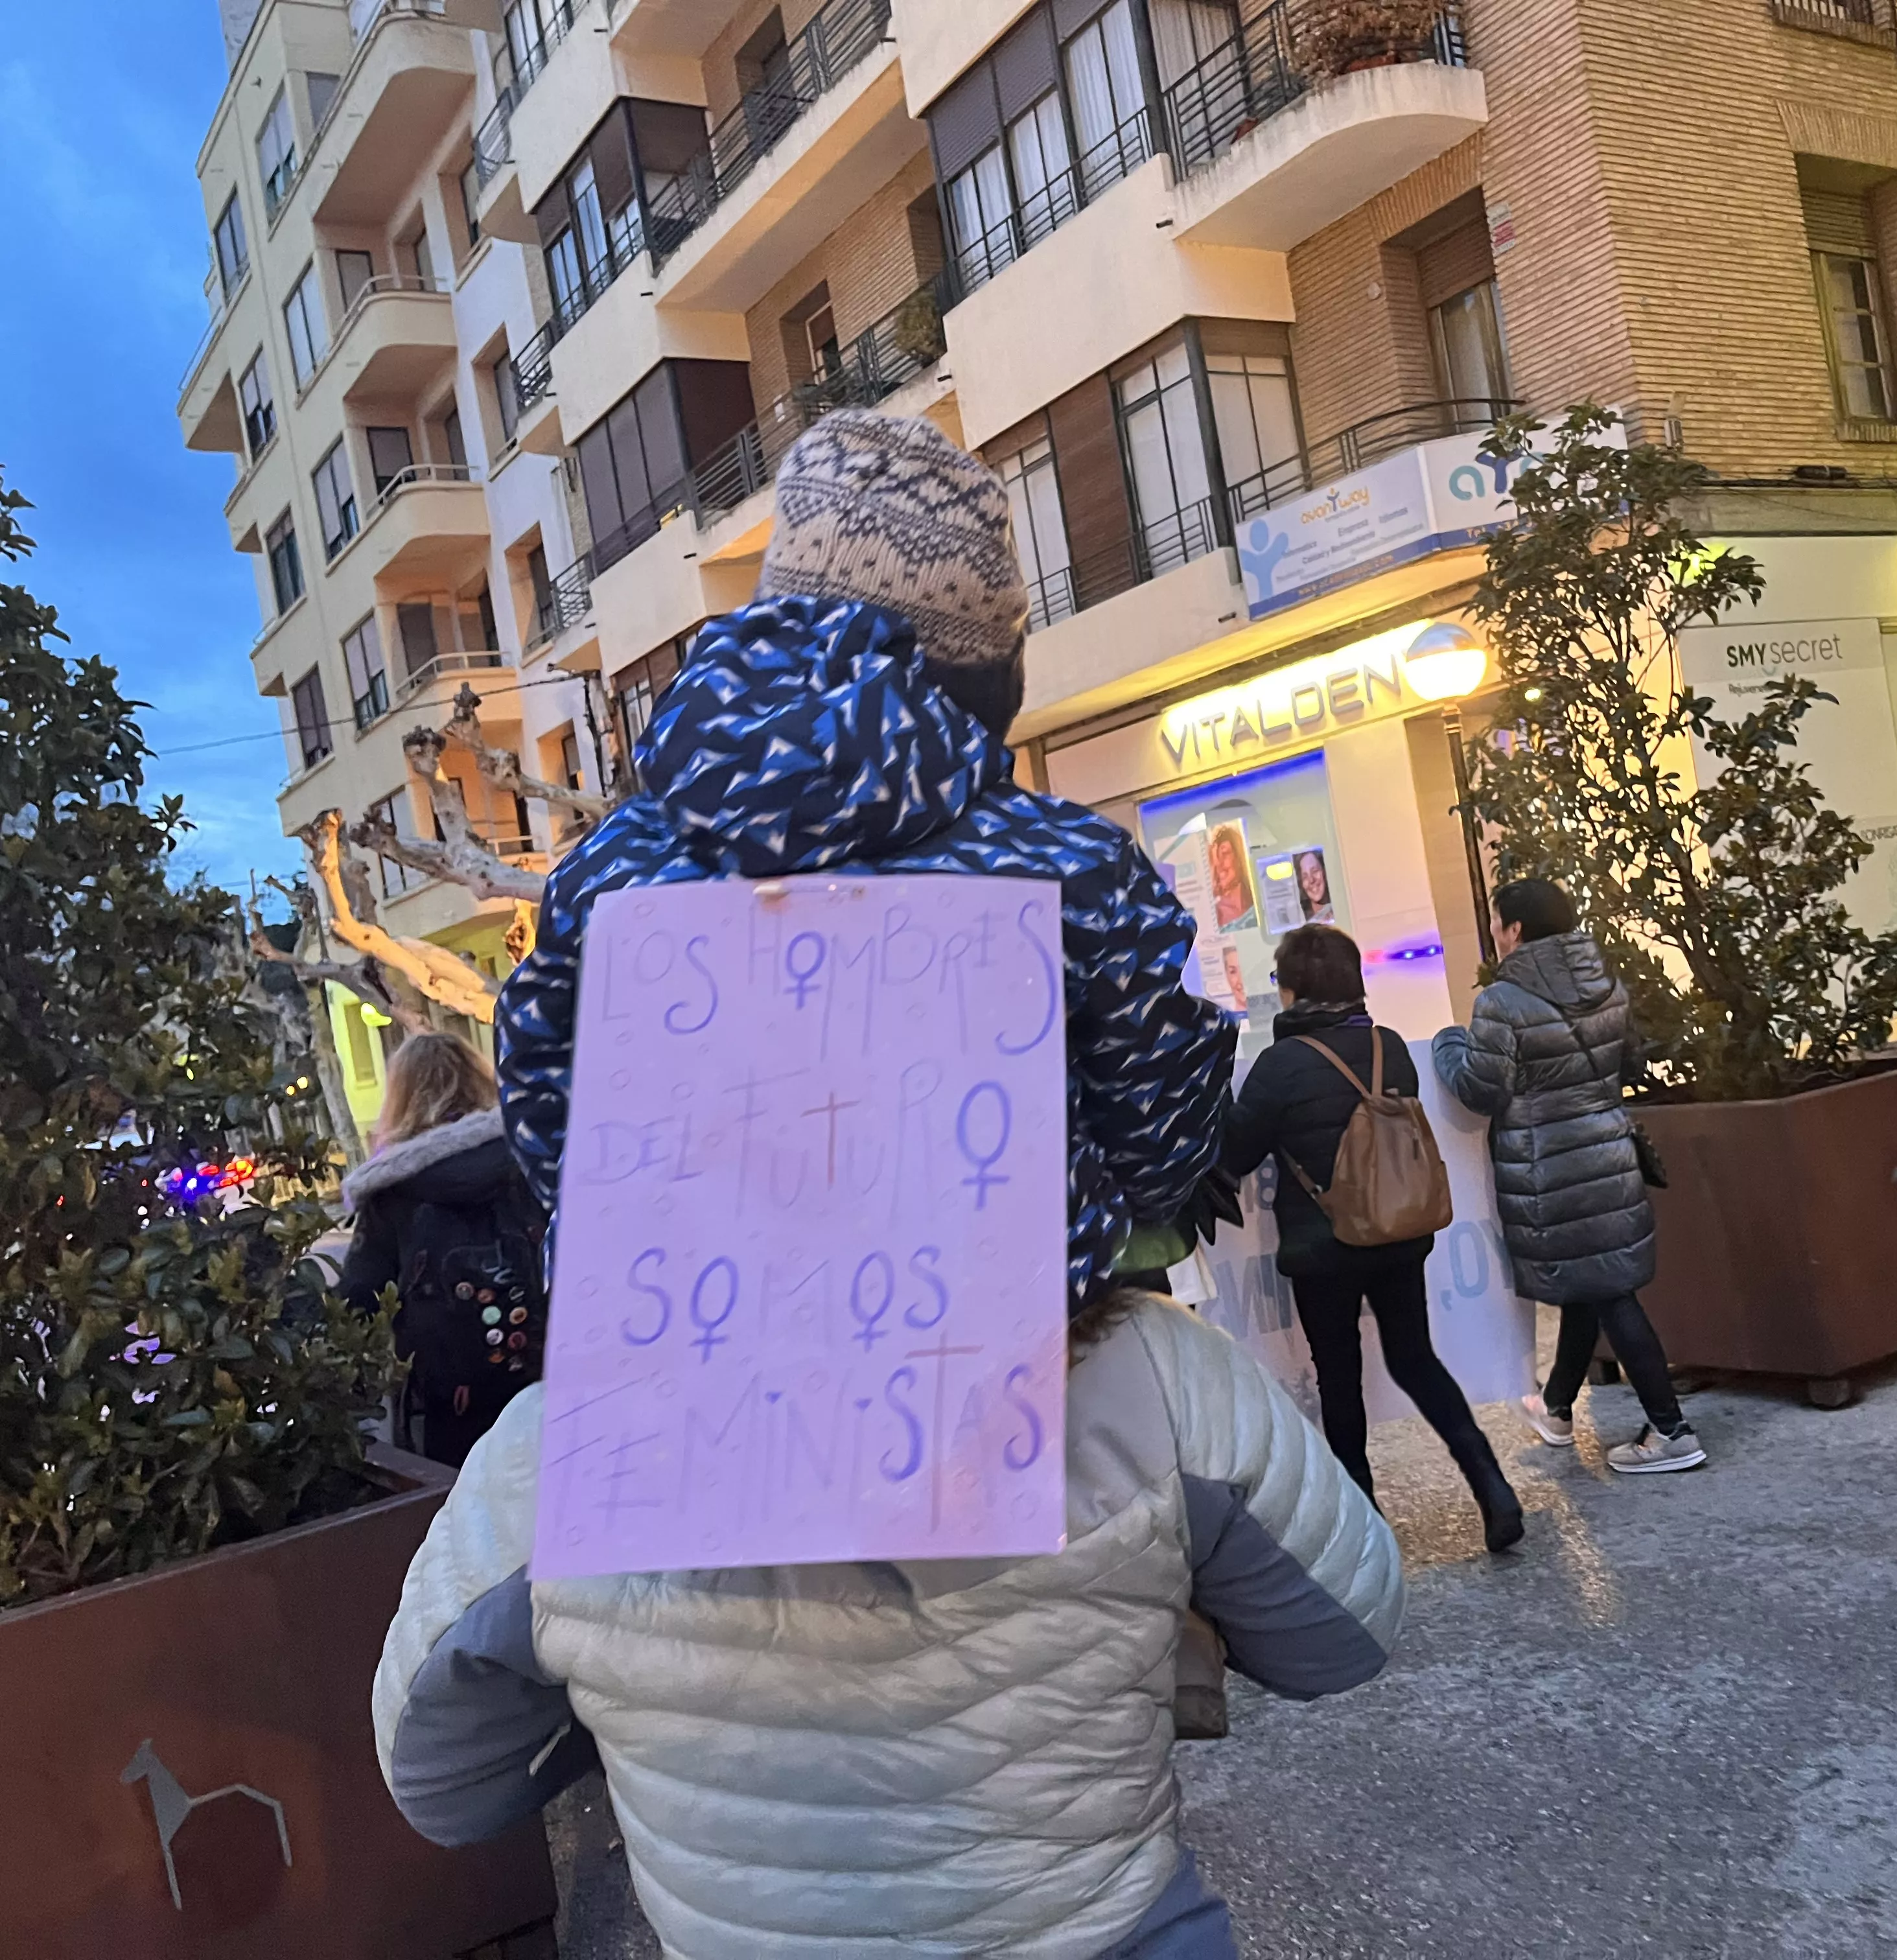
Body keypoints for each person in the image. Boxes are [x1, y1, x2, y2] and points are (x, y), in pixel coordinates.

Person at [374, 412, 1391, 1958]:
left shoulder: (556, 1466)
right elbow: (1347, 1631)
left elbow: (440, 1785)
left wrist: (605, 1682)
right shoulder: (1155, 1393)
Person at [1221, 923, 1525, 1552]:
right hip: (1399, 1235)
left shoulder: (1280, 1066)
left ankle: (1368, 1529)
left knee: (1340, 1378)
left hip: (1322, 1247)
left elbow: (1238, 1155)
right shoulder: (1390, 1047)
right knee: (1416, 1360)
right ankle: (1493, 1487)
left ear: (1293, 991)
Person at [1436, 878, 1703, 1474]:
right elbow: (1630, 1060)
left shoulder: (1502, 1002)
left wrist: (1449, 1045)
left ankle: (1671, 1430)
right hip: (1609, 1154)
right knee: (1594, 1281)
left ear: (1517, 931)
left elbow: (1481, 1089)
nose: (1496, 935)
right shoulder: (1607, 982)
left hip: (1551, 1169)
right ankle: (1557, 1409)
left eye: (1499, 924)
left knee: (1610, 1291)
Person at [338, 1031, 546, 1467]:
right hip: (552, 1384)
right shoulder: (535, 1160)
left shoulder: (391, 1194)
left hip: (450, 1409)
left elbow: (355, 1307)